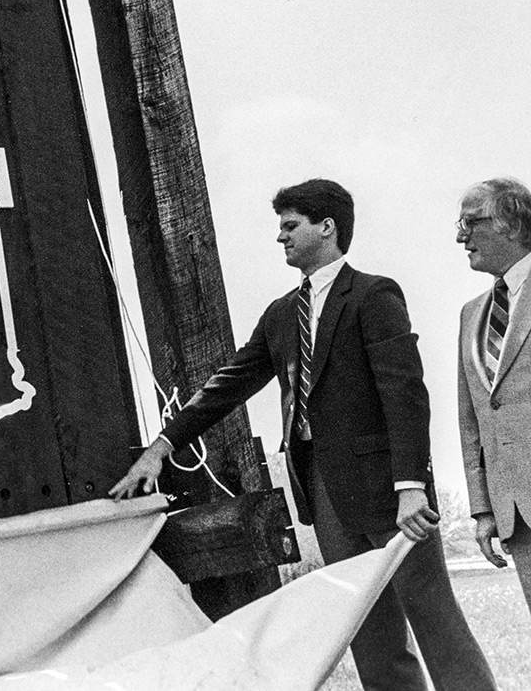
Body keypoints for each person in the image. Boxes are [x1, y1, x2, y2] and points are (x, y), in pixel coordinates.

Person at [110, 178, 494, 691]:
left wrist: (411, 485)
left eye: (291, 226)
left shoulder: (374, 295)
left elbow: (405, 395)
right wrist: (162, 446)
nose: (280, 238)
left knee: (433, 620)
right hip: (325, 494)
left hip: (391, 493)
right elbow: (227, 385)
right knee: (367, 633)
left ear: (327, 227)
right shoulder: (280, 315)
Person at [456, 176, 531, 613]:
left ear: (512, 224)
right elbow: (471, 421)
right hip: (516, 515)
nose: (461, 235)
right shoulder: (470, 315)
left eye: (471, 221)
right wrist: (483, 509)